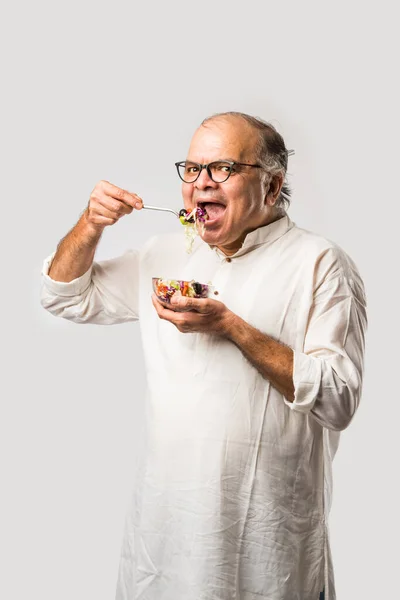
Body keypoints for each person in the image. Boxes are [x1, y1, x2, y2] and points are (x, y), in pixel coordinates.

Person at [40, 111, 367, 600]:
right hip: (163, 543)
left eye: (223, 169)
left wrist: (230, 326)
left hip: (269, 549)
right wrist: (89, 225)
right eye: (192, 170)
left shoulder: (320, 264)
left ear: (272, 187)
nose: (200, 184)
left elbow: (338, 399)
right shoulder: (164, 253)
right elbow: (63, 295)